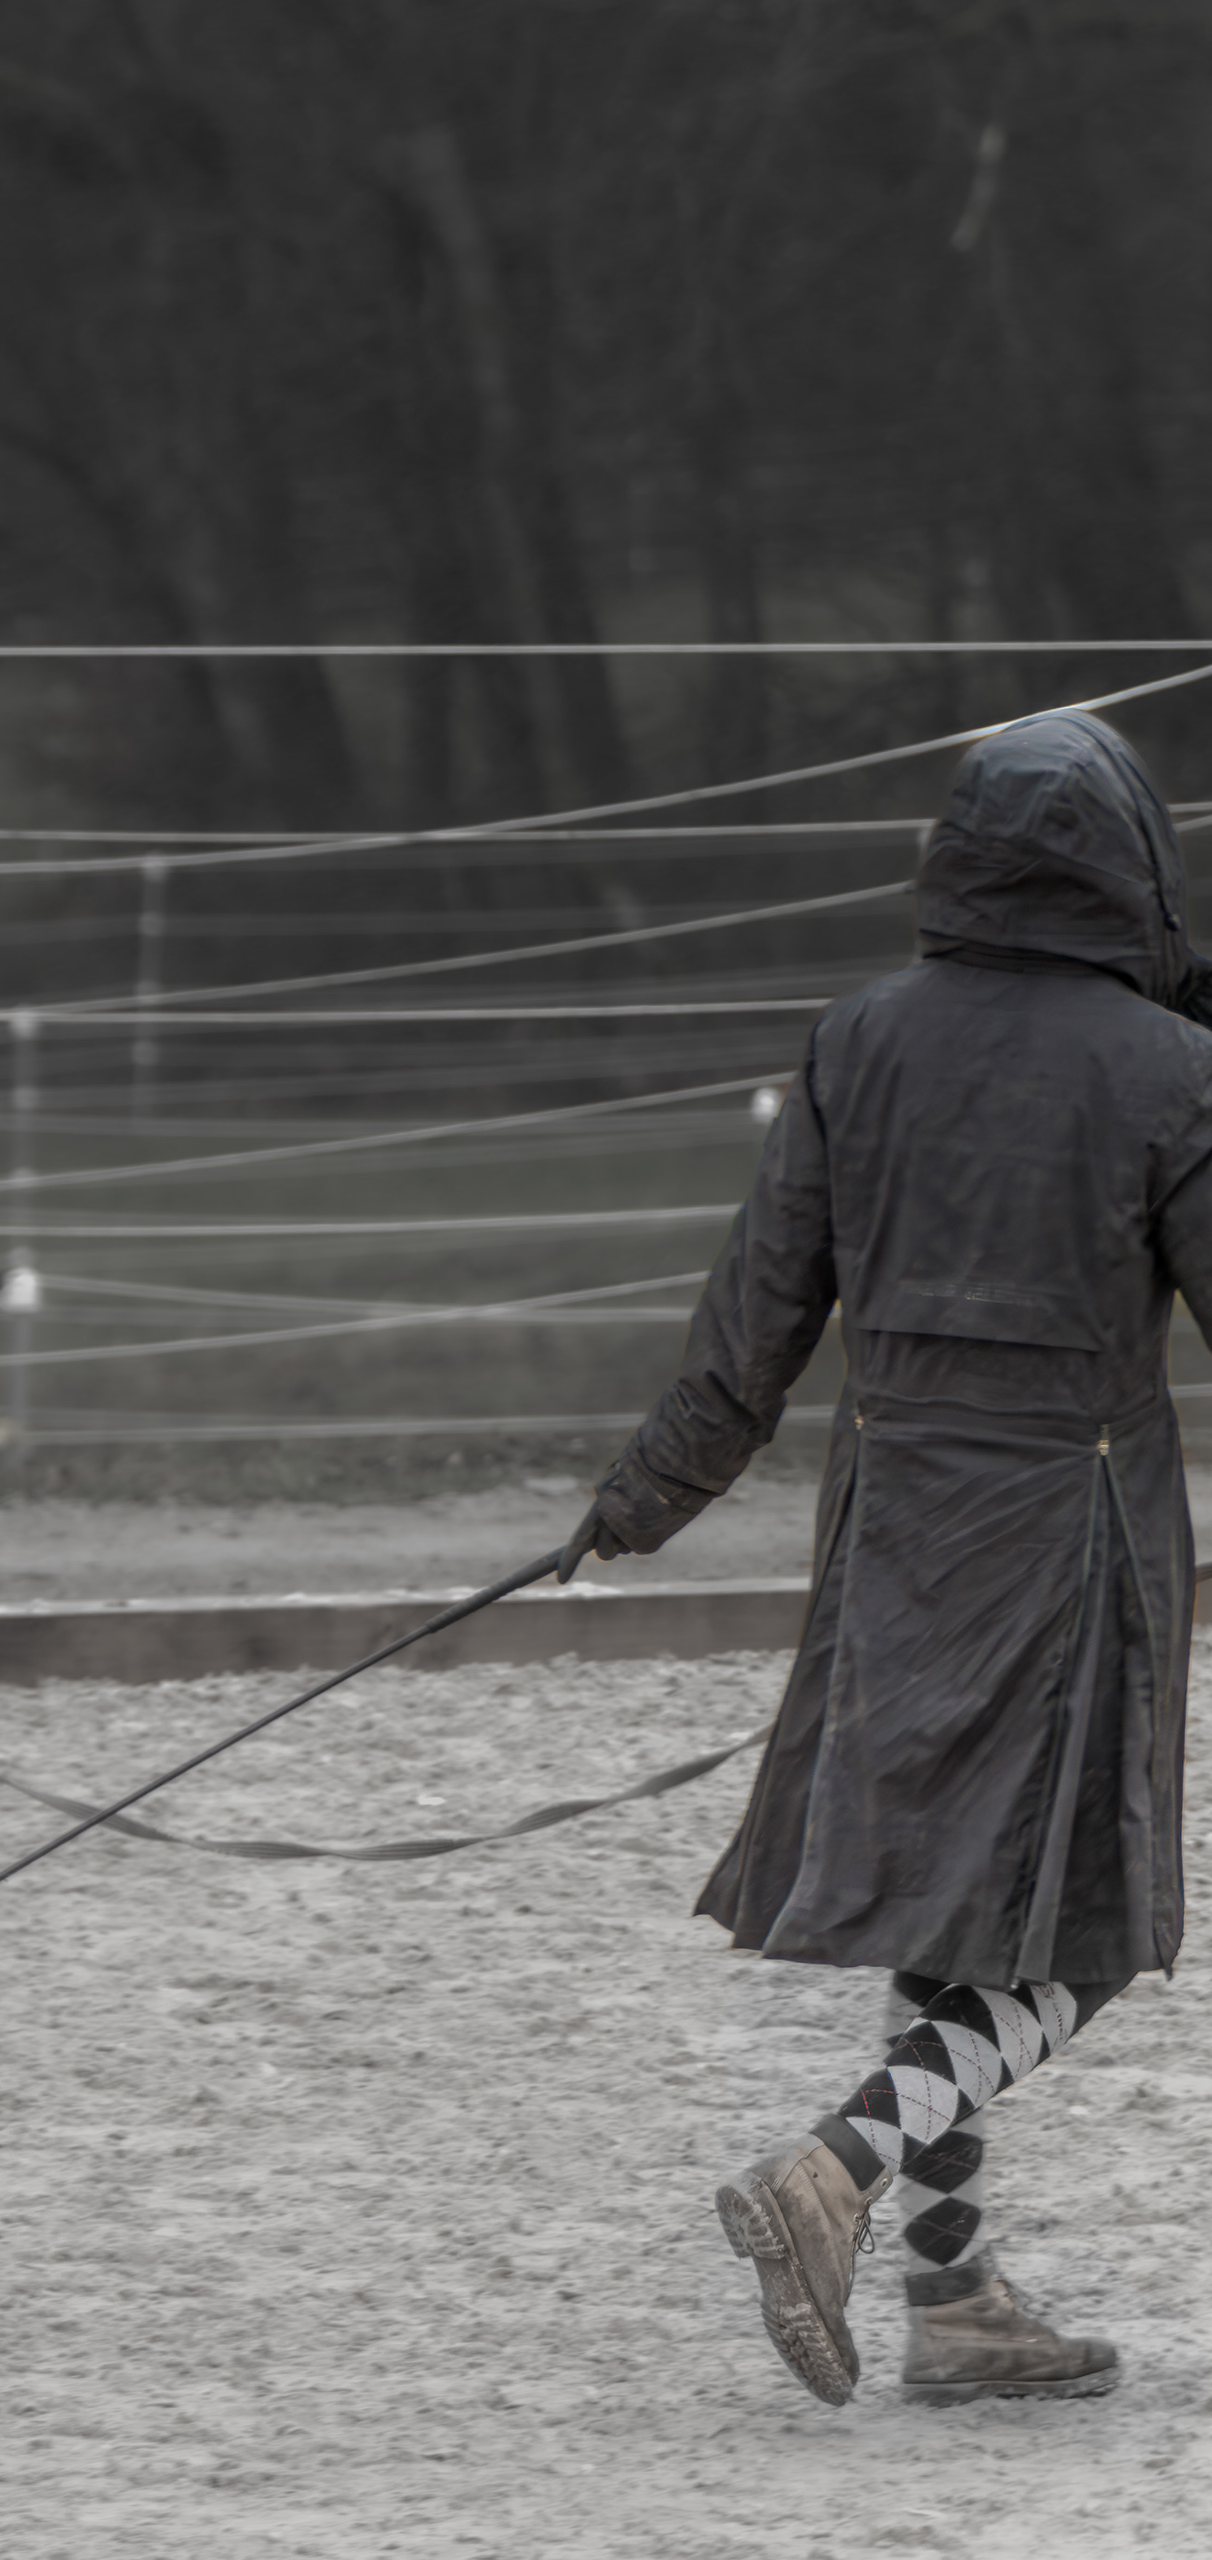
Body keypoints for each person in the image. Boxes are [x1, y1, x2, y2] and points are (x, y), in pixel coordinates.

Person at [563, 710, 1198, 2407]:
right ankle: (833, 2175)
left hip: (893, 1527)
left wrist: (638, 1502)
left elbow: (749, 1334)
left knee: (953, 1909)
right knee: (1081, 1938)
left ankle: (955, 2298)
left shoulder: (860, 1038)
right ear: (1128, 860)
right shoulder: (1167, 1071)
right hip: (1073, 1539)